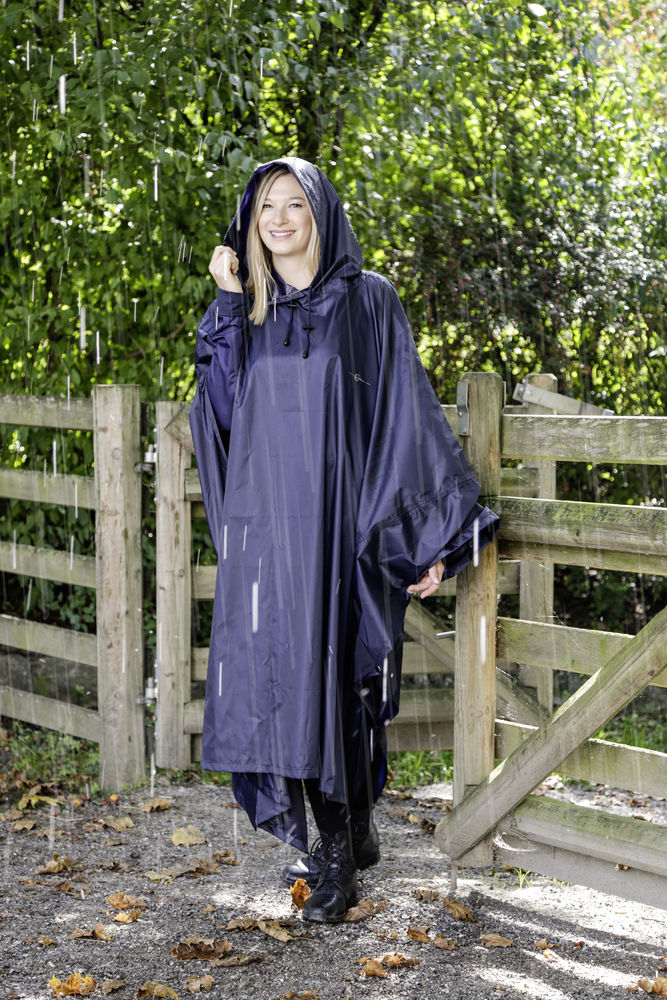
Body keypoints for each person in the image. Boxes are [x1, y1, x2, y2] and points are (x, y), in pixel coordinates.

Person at [189, 157, 499, 923]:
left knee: (339, 686)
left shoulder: (368, 301)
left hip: (344, 527)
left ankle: (346, 838)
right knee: (286, 686)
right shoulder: (245, 312)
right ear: (249, 223)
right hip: (270, 535)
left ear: (321, 213)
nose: (279, 218)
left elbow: (403, 413)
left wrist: (425, 536)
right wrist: (227, 299)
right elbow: (220, 411)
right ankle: (339, 846)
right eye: (265, 206)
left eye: (294, 204)